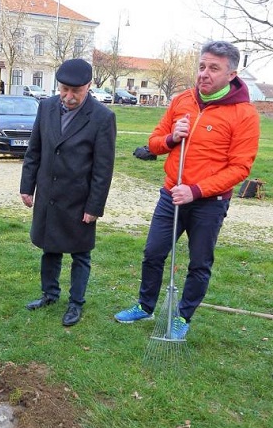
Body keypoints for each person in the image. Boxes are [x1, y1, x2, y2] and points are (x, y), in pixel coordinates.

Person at [114, 41, 260, 339]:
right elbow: (154, 142)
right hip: (171, 195)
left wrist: (196, 190)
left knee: (199, 262)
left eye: (214, 68)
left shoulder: (244, 114)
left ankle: (182, 317)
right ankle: (145, 305)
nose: (204, 74)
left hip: (209, 203)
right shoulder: (182, 100)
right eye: (202, 66)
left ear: (231, 74)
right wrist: (171, 138)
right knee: (153, 253)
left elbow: (240, 168)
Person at [20, 59, 116, 326]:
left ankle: (76, 303)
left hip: (79, 198)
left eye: (76, 91)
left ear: (88, 86)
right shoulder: (47, 106)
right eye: (64, 89)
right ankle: (49, 294)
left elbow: (103, 168)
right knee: (49, 247)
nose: (68, 96)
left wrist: (94, 206)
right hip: (49, 194)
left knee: (80, 253)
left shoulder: (102, 117)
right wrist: (27, 187)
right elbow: (34, 150)